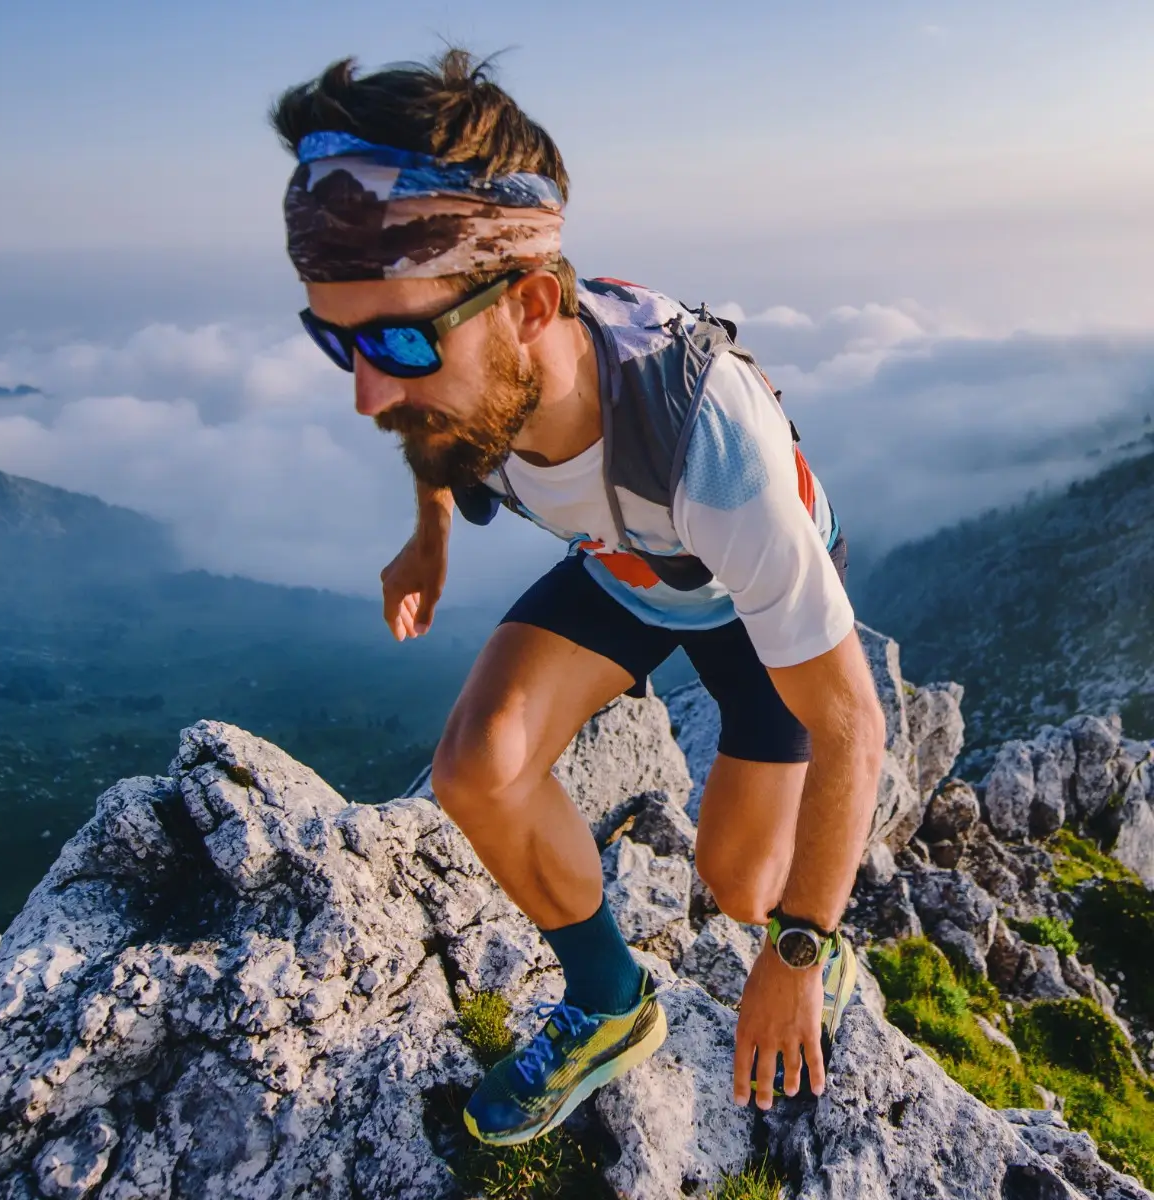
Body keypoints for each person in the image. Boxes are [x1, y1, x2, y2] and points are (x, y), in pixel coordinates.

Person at [270, 48, 887, 1147]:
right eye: (338, 339)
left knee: (743, 888)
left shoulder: (709, 452)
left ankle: (822, 942)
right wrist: (428, 545)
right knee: (478, 767)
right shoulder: (469, 380)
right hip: (627, 567)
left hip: (737, 591)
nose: (368, 390)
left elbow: (853, 721)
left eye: (400, 339)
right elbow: (428, 431)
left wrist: (796, 953)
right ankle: (610, 1004)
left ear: (532, 306)